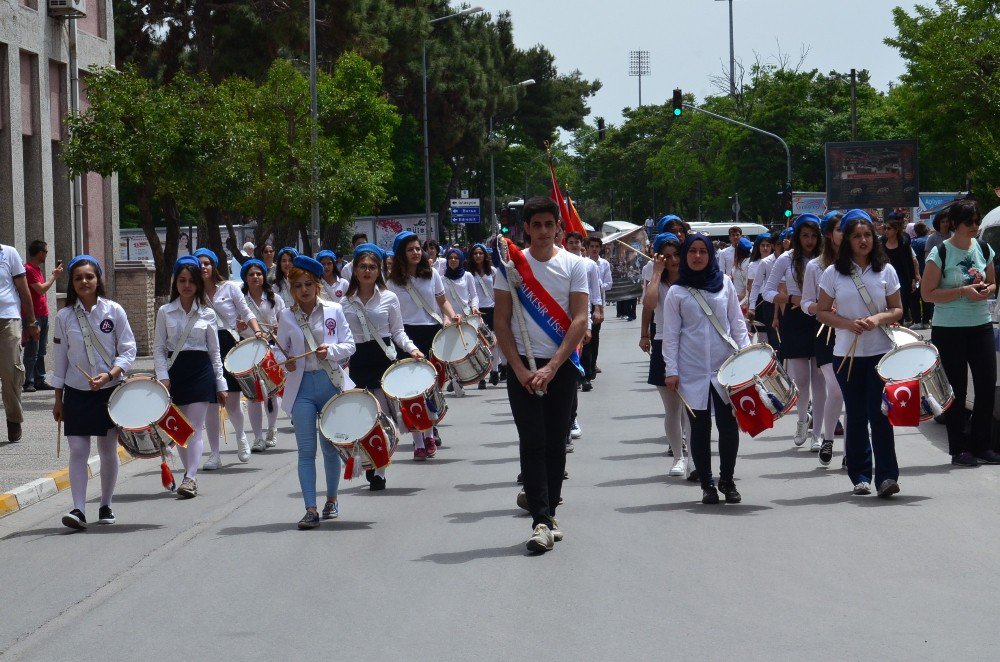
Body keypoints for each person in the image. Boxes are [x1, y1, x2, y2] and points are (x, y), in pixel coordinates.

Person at [494, 196, 589, 553]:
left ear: (558, 229)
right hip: (522, 369)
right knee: (531, 441)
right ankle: (541, 520)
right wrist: (518, 369)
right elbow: (501, 321)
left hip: (559, 367)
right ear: (526, 229)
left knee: (555, 442)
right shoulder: (510, 266)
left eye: (550, 225)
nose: (544, 231)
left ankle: (549, 512)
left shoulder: (575, 265)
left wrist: (552, 367)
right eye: (537, 225)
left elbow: (579, 319)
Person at [816, 210, 904, 497]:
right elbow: (821, 313)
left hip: (881, 353)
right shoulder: (833, 273)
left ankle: (887, 477)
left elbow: (898, 309)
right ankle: (861, 476)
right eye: (857, 236)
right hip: (846, 354)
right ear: (847, 241)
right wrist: (847, 324)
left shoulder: (885, 270)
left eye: (867, 235)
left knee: (881, 415)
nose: (863, 240)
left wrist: (877, 319)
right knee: (855, 415)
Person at [51, 255, 137, 529]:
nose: (84, 282)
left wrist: (110, 374)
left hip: (108, 392)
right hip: (76, 392)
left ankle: (106, 504)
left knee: (108, 448)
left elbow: (128, 350)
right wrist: (58, 399)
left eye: (89, 277)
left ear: (98, 279)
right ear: (72, 283)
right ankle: (77, 508)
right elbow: (60, 359)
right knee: (78, 449)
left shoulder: (114, 311)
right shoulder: (63, 317)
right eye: (78, 278)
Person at [663, 234, 750, 504]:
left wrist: (748, 360)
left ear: (711, 255)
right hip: (692, 371)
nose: (698, 256)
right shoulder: (677, 292)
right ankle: (706, 483)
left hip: (726, 368)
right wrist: (671, 370)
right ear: (686, 255)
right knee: (699, 429)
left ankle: (727, 479)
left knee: (728, 426)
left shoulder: (724, 284)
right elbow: (671, 335)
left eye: (703, 251)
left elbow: (737, 324)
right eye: (692, 252)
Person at [276, 256, 356, 529]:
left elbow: (350, 345)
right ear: (292, 289)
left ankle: (332, 499)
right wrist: (284, 358)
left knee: (330, 448)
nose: (303, 291)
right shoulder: (286, 316)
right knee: (305, 451)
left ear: (318, 285)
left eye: (308, 284)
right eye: (297, 286)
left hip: (330, 382)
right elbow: (279, 349)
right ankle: (310, 508)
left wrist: (329, 351)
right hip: (301, 389)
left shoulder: (334, 309)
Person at [921, 199, 1000, 466]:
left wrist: (986, 291)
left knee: (987, 385)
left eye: (977, 221)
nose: (975, 227)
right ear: (954, 224)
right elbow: (926, 294)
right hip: (949, 329)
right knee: (956, 389)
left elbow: (991, 284)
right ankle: (959, 448)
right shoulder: (941, 252)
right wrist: (961, 292)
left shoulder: (984, 248)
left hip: (981, 325)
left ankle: (983, 445)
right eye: (969, 223)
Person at [342, 244, 422, 491]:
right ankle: (369, 460)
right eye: (363, 267)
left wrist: (412, 349)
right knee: (362, 418)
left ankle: (380, 470)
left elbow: (398, 331)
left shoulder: (389, 298)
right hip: (356, 361)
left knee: (383, 416)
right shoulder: (343, 302)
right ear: (355, 271)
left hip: (382, 359)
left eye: (372, 267)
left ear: (379, 271)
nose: (367, 271)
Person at [153, 257, 228, 499]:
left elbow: (215, 351)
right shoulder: (164, 311)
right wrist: (163, 376)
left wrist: (221, 382)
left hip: (201, 371)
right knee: (180, 431)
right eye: (182, 281)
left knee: (195, 427)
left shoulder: (207, 314)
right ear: (176, 283)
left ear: (198, 284)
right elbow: (158, 348)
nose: (186, 286)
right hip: (174, 373)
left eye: (191, 281)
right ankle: (189, 472)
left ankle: (191, 477)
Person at [387, 231, 460, 458]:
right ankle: (419, 441)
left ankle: (429, 435)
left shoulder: (433, 275)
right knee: (410, 392)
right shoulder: (391, 282)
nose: (416, 253)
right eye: (410, 249)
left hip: (431, 333)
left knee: (429, 388)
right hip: (405, 337)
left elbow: (442, 300)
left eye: (418, 248)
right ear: (401, 254)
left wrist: (450, 316)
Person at [194, 248, 265, 469]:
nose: (203, 267)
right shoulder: (193, 293)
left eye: (207, 263)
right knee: (210, 405)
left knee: (232, 402)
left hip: (230, 346)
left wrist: (257, 332)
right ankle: (214, 454)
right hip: (205, 349)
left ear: (214, 266)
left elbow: (247, 312)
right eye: (199, 264)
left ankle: (241, 436)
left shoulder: (229, 288)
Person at [763, 215, 825, 450]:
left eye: (813, 235)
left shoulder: (825, 259)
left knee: (820, 379)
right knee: (800, 379)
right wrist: (791, 298)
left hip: (820, 318)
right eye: (804, 235)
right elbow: (767, 292)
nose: (809, 240)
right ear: (797, 236)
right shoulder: (786, 259)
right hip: (795, 319)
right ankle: (802, 420)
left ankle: (817, 432)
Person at [640, 232, 692, 478]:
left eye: (676, 255)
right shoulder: (656, 281)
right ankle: (678, 457)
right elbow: (648, 305)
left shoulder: (692, 279)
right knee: (672, 408)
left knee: (692, 407)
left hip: (691, 346)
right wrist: (657, 272)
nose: (673, 261)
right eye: (667, 257)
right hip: (663, 345)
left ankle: (694, 456)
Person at [801, 213, 846, 466]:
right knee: (837, 390)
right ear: (829, 233)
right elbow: (806, 301)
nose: (846, 234)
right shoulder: (815, 266)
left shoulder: (864, 264)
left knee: (855, 396)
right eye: (841, 229)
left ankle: (852, 450)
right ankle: (827, 437)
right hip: (827, 334)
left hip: (857, 333)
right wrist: (822, 308)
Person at [240, 258, 285, 452]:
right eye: (251, 274)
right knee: (253, 395)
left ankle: (272, 430)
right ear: (245, 278)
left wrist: (279, 326)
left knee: (272, 391)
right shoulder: (240, 300)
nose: (255, 277)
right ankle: (257, 437)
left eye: (259, 274)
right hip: (249, 349)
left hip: (271, 349)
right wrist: (239, 326)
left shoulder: (274, 297)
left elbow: (286, 320)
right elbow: (235, 324)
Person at [1, 242, 37, 442]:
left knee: (11, 371)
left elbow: (24, 290)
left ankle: (13, 419)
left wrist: (32, 322)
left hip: (8, 318)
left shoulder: (9, 253)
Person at [22, 240, 64, 392]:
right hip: (33, 316)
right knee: (32, 349)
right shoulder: (28, 269)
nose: (46, 254)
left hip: (43, 314)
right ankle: (28, 381)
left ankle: (39, 379)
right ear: (40, 253)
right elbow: (40, 290)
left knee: (41, 350)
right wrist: (54, 276)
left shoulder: (37, 269)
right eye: (46, 252)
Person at [467, 243, 500, 386]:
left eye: (481, 253)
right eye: (475, 253)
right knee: (478, 344)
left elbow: (498, 290)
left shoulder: (492, 271)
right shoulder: (468, 273)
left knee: (493, 342)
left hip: (492, 308)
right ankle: (481, 376)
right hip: (475, 311)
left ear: (485, 255)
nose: (478, 256)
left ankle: (495, 370)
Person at [882, 216, 919, 326]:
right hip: (885, 279)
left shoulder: (903, 243)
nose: (886, 231)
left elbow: (910, 261)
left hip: (903, 279)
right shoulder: (881, 243)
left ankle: (900, 325)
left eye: (889, 228)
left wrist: (913, 278)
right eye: (885, 228)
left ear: (896, 230)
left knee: (901, 304)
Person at [587, 236, 612, 376]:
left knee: (595, 334)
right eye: (592, 246)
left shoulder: (604, 264)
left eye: (597, 246)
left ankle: (593, 363)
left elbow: (609, 284)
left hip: (598, 303)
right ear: (588, 248)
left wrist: (598, 285)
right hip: (584, 302)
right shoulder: (583, 263)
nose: (594, 249)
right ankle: (585, 364)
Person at [746, 233, 775, 346]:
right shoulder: (753, 264)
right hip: (759, 300)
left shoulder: (777, 262)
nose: (765, 248)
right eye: (762, 245)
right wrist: (752, 305)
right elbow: (751, 285)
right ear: (758, 247)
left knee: (772, 332)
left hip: (772, 299)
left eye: (768, 245)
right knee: (760, 332)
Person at [909, 221, 932, 329]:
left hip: (918, 274)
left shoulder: (914, 242)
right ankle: (927, 321)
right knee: (927, 298)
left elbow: (912, 259)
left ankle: (917, 321)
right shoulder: (931, 239)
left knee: (914, 297)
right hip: (931, 273)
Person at [728, 236, 752, 307]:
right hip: (736, 297)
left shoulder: (749, 263)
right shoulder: (738, 262)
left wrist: (740, 298)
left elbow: (749, 284)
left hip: (743, 300)